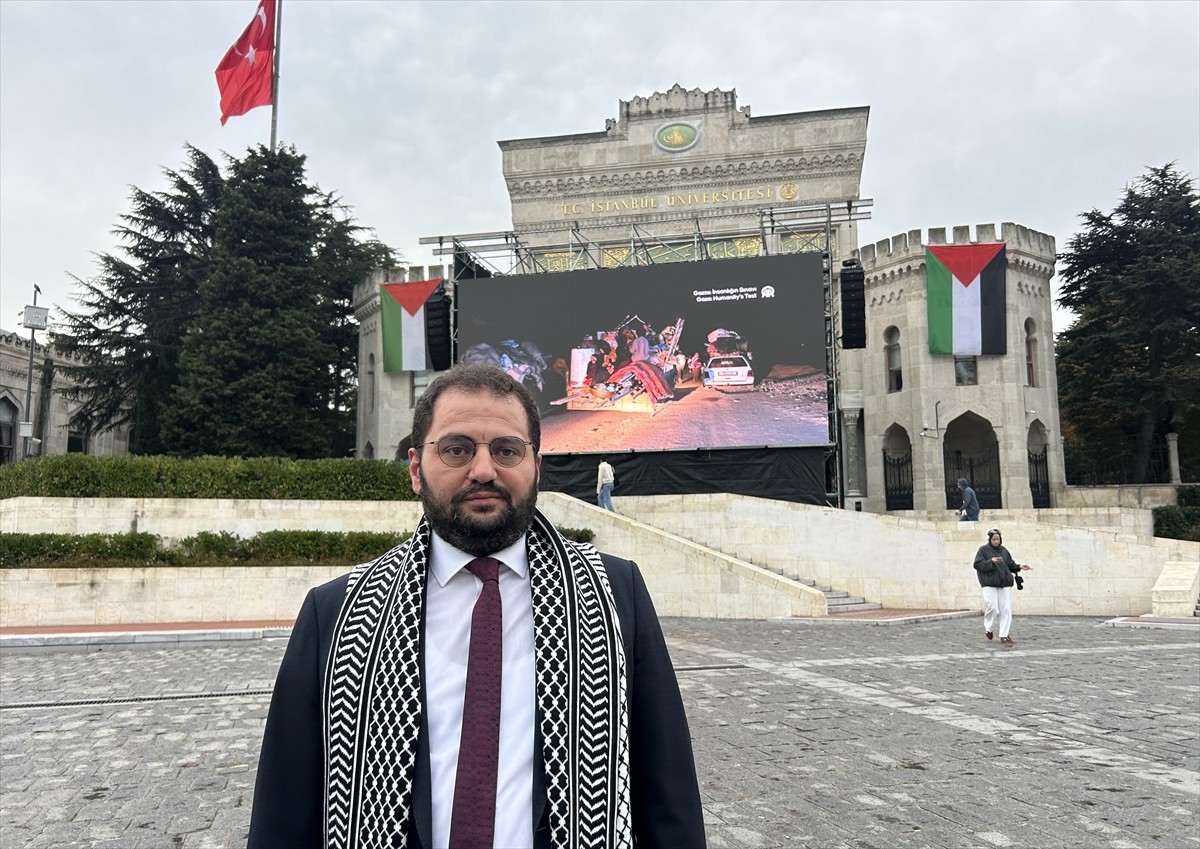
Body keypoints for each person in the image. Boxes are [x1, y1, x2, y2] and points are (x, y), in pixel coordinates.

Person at [248, 364, 704, 849]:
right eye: (456, 449)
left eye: (506, 450)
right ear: (415, 470)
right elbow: (285, 816)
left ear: (536, 467)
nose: (484, 470)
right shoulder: (337, 612)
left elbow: (667, 798)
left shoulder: (615, 593)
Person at [972, 527, 1032, 645]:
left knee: (1006, 609)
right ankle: (988, 628)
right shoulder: (983, 550)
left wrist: (1019, 566)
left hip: (1004, 583)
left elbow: (1010, 564)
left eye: (998, 539)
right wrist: (991, 562)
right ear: (990, 539)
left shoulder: (1004, 550)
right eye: (994, 539)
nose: (996, 541)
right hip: (989, 583)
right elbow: (977, 565)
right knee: (992, 607)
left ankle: (1004, 635)